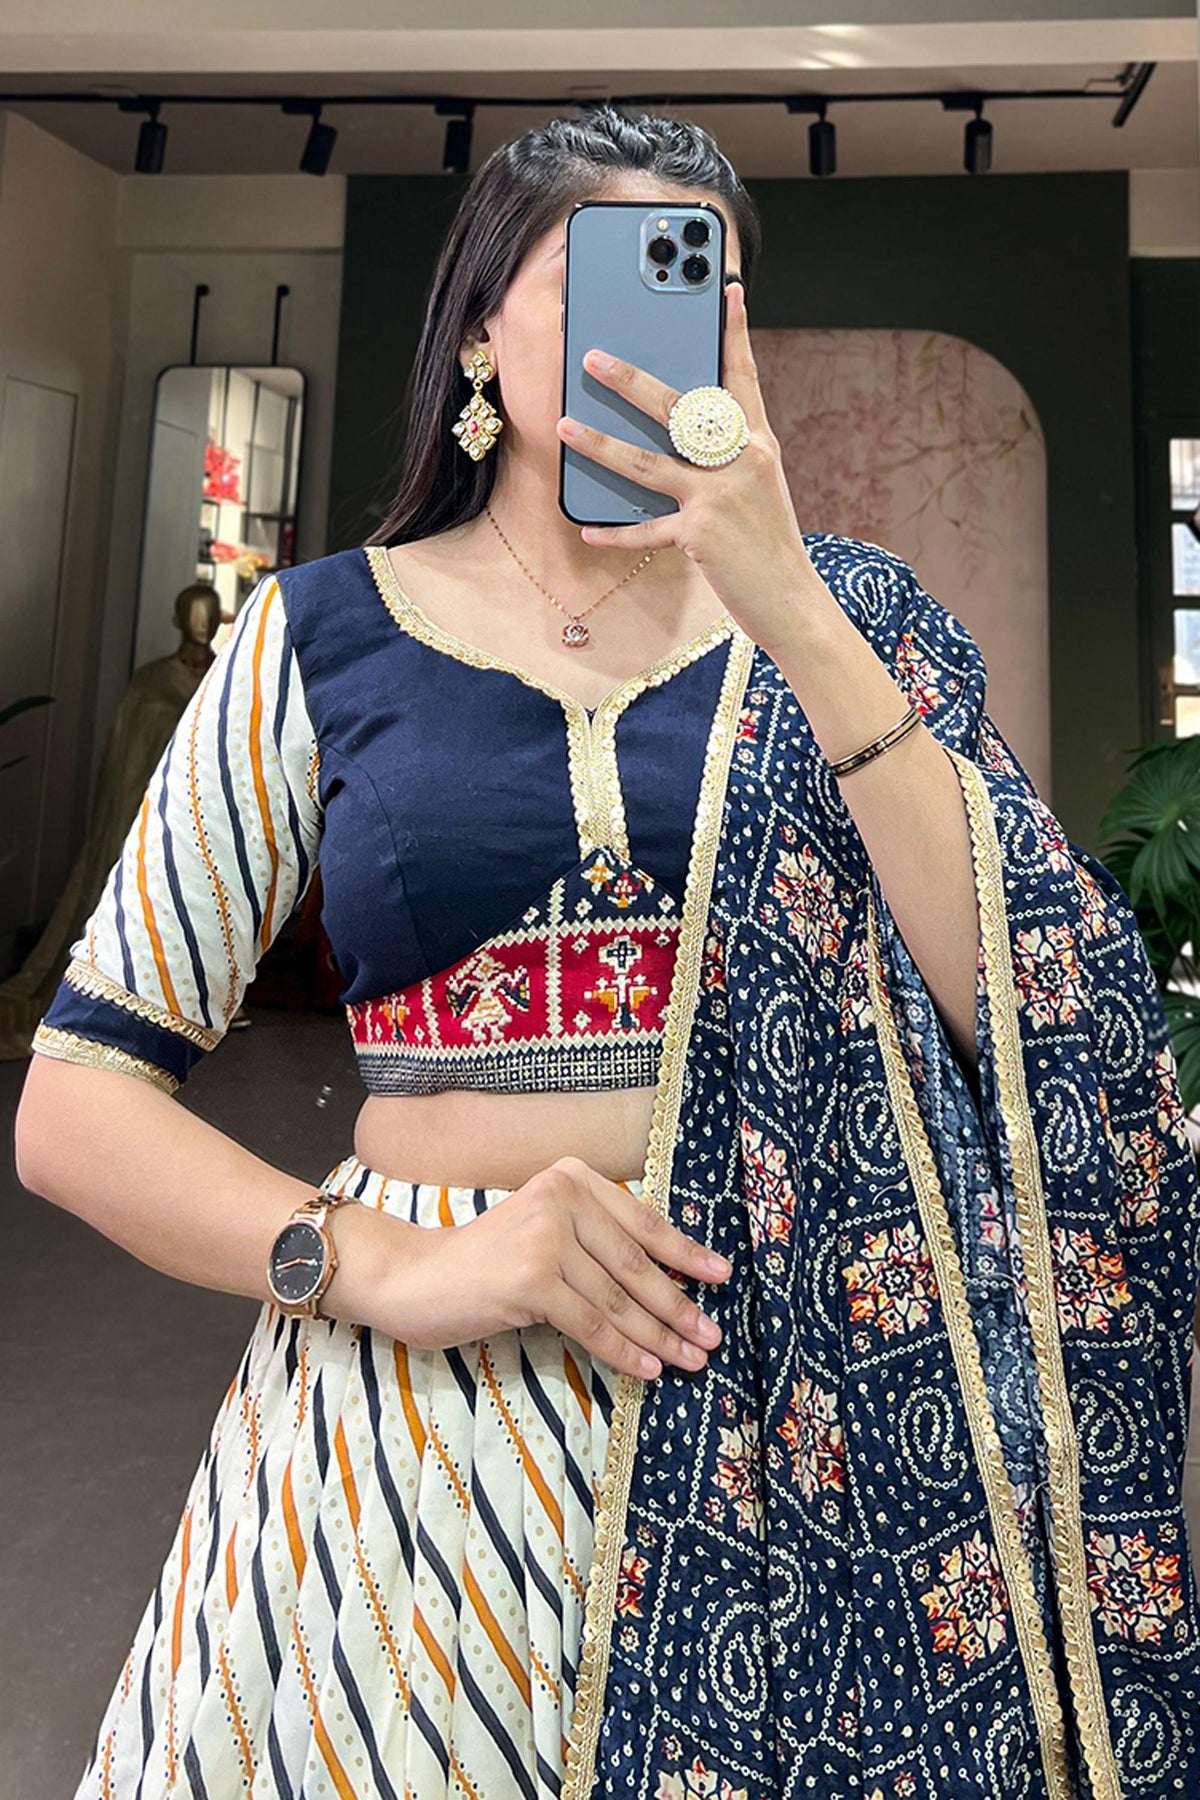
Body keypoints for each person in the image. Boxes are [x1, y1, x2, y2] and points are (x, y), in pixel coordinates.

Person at [15, 106, 1200, 1800]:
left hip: (799, 1409)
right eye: (598, 282)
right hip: (423, 1425)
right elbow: (74, 1107)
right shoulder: (316, 635)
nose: (659, 329)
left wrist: (788, 600)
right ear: (479, 331)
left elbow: (1029, 996)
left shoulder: (848, 617)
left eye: (701, 291)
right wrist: (378, 1264)